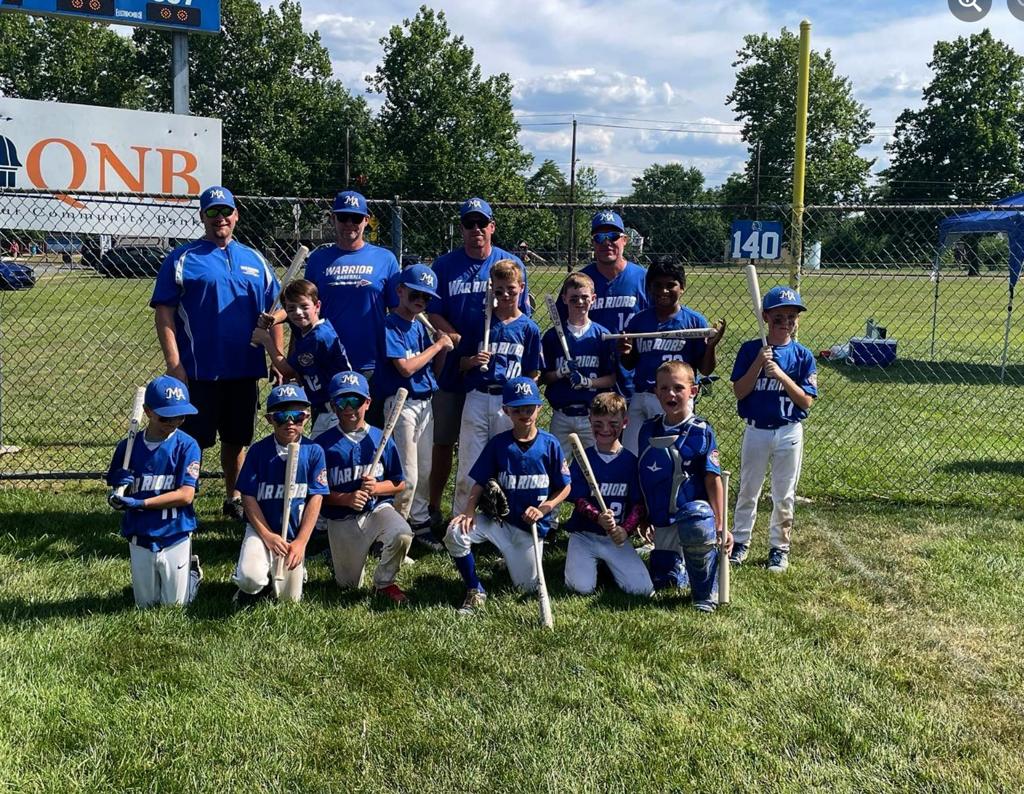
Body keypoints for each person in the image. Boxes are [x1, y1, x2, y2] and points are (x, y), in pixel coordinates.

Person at [151, 185, 281, 521]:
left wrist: (277, 357)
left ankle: (233, 498)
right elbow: (164, 313)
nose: (219, 218)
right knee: (191, 439)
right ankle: (182, 499)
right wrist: (174, 364)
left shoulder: (255, 260)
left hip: (244, 370)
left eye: (226, 211)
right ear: (202, 216)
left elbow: (275, 310)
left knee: (236, 440)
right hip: (199, 371)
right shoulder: (182, 259)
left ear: (236, 215)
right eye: (212, 212)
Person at [425, 197, 530, 530]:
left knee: (502, 446)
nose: (476, 230)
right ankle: (434, 507)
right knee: (444, 440)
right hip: (454, 364)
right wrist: (452, 335)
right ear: (462, 229)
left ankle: (499, 514)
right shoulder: (445, 265)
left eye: (481, 223)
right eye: (469, 224)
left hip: (495, 373)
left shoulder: (509, 264)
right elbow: (433, 310)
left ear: (492, 227)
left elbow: (521, 315)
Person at [444, 377, 571, 615]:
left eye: (529, 408)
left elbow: (565, 487)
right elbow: (479, 482)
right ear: (506, 411)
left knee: (526, 587)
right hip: (500, 522)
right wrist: (468, 511)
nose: (524, 414)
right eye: (517, 409)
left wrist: (544, 508)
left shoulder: (550, 444)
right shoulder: (499, 444)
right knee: (455, 531)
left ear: (539, 408)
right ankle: (475, 588)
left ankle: (508, 560)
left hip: (530, 529)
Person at [730, 285, 818, 573]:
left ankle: (779, 547)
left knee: (784, 493)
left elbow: (806, 400)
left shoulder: (802, 355)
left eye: (792, 317)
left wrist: (780, 375)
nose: (785, 322)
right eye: (778, 317)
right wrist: (758, 362)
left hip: (788, 431)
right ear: (765, 317)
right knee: (748, 489)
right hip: (756, 430)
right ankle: (740, 542)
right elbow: (740, 392)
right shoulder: (750, 350)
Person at [636, 361, 731, 611]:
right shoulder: (648, 430)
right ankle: (681, 566)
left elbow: (713, 478)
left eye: (678, 388)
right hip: (664, 519)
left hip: (695, 519)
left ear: (693, 391)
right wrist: (644, 515)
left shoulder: (701, 431)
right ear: (656, 392)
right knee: (665, 580)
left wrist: (721, 524)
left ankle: (704, 593)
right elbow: (645, 477)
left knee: (696, 516)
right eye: (664, 388)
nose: (671, 393)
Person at [451, 259, 542, 516]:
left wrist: (526, 398)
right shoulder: (479, 323)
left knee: (507, 460)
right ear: (491, 289)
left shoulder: (529, 328)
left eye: (511, 289)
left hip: (509, 403)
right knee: (469, 462)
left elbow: (533, 372)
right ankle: (460, 520)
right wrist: (472, 360)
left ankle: (506, 519)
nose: (505, 295)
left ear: (521, 288)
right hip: (478, 397)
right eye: (499, 290)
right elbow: (459, 363)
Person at [313, 371, 413, 604]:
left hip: (376, 510)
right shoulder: (323, 445)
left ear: (367, 403)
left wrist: (377, 488)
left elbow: (399, 483)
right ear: (333, 406)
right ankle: (343, 557)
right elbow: (316, 494)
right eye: (342, 402)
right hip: (341, 519)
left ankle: (384, 582)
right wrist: (346, 498)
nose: (349, 408)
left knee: (402, 534)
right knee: (348, 585)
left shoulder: (381, 438)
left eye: (355, 401)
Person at [105, 375, 203, 608]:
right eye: (166, 417)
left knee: (175, 605)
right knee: (146, 604)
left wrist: (141, 503)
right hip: (140, 532)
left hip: (175, 532)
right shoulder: (128, 447)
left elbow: (186, 495)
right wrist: (116, 492)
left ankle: (192, 575)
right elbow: (116, 492)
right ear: (148, 412)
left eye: (180, 416)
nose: (174, 422)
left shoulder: (187, 445)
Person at [303, 190, 400, 425]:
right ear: (333, 219)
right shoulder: (318, 259)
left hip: (371, 362)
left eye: (355, 218)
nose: (349, 223)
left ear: (366, 220)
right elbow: (305, 314)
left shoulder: (385, 259)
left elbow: (398, 313)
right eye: (343, 217)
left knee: (369, 433)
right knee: (327, 432)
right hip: (327, 360)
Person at [375, 265, 454, 550]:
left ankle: (419, 523)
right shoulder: (390, 324)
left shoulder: (419, 326)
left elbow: (432, 371)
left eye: (426, 297)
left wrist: (442, 349)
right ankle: (393, 531)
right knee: (406, 473)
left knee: (424, 468)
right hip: (401, 404)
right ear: (400, 291)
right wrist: (437, 346)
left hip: (424, 402)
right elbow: (406, 368)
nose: (421, 300)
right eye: (415, 294)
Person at [232, 384, 328, 604]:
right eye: (282, 417)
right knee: (249, 580)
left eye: (297, 416)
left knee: (289, 599)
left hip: (293, 534)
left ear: (307, 417)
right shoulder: (258, 451)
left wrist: (301, 542)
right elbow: (248, 496)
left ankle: (291, 571)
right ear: (269, 419)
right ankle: (252, 582)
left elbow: (316, 498)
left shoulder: (314, 451)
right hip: (261, 530)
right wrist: (267, 536)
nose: (290, 422)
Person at [618, 258, 725, 454]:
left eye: (670, 285)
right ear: (649, 287)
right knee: (632, 453)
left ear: (682, 287)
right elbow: (630, 363)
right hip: (642, 395)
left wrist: (711, 347)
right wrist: (625, 352)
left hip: (674, 397)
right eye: (657, 285)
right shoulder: (639, 321)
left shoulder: (694, 321)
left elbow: (705, 369)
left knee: (671, 456)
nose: (664, 291)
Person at [563, 392, 653, 596]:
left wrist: (626, 530)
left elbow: (638, 505)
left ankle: (606, 565)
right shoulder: (584, 458)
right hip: (584, 535)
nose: (605, 429)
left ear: (625, 423)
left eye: (613, 423)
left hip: (615, 537)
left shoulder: (631, 462)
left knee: (642, 590)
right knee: (580, 588)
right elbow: (578, 499)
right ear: (590, 421)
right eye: (598, 423)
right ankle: (595, 564)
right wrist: (597, 516)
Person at [251, 278, 351, 437]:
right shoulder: (309, 330)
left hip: (336, 409)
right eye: (291, 308)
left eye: (304, 306)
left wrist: (266, 340)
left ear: (317, 306)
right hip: (326, 407)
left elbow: (288, 371)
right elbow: (287, 315)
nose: (298, 312)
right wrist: (272, 319)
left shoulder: (317, 337)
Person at [541, 272, 616, 459]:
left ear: (593, 299)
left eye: (584, 297)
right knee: (557, 465)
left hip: (592, 415)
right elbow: (544, 378)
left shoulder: (602, 335)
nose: (580, 302)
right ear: (564, 299)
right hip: (561, 415)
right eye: (574, 298)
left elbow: (611, 378)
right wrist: (560, 372)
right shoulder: (552, 337)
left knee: (595, 462)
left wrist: (587, 382)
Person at [579, 210, 649, 400]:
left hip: (634, 374)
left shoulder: (643, 278)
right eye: (599, 237)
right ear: (593, 242)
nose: (606, 242)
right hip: (592, 373)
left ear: (624, 240)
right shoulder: (580, 281)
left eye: (613, 236)